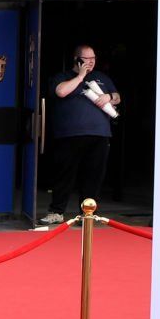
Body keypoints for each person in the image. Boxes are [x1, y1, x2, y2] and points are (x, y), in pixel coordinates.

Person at [44, 44, 119, 224]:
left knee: (93, 176)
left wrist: (109, 97)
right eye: (87, 59)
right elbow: (61, 92)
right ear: (77, 59)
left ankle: (88, 214)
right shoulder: (63, 77)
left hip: (99, 134)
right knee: (65, 175)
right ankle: (56, 212)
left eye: (93, 59)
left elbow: (117, 97)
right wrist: (80, 77)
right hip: (70, 135)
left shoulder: (102, 77)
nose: (91, 62)